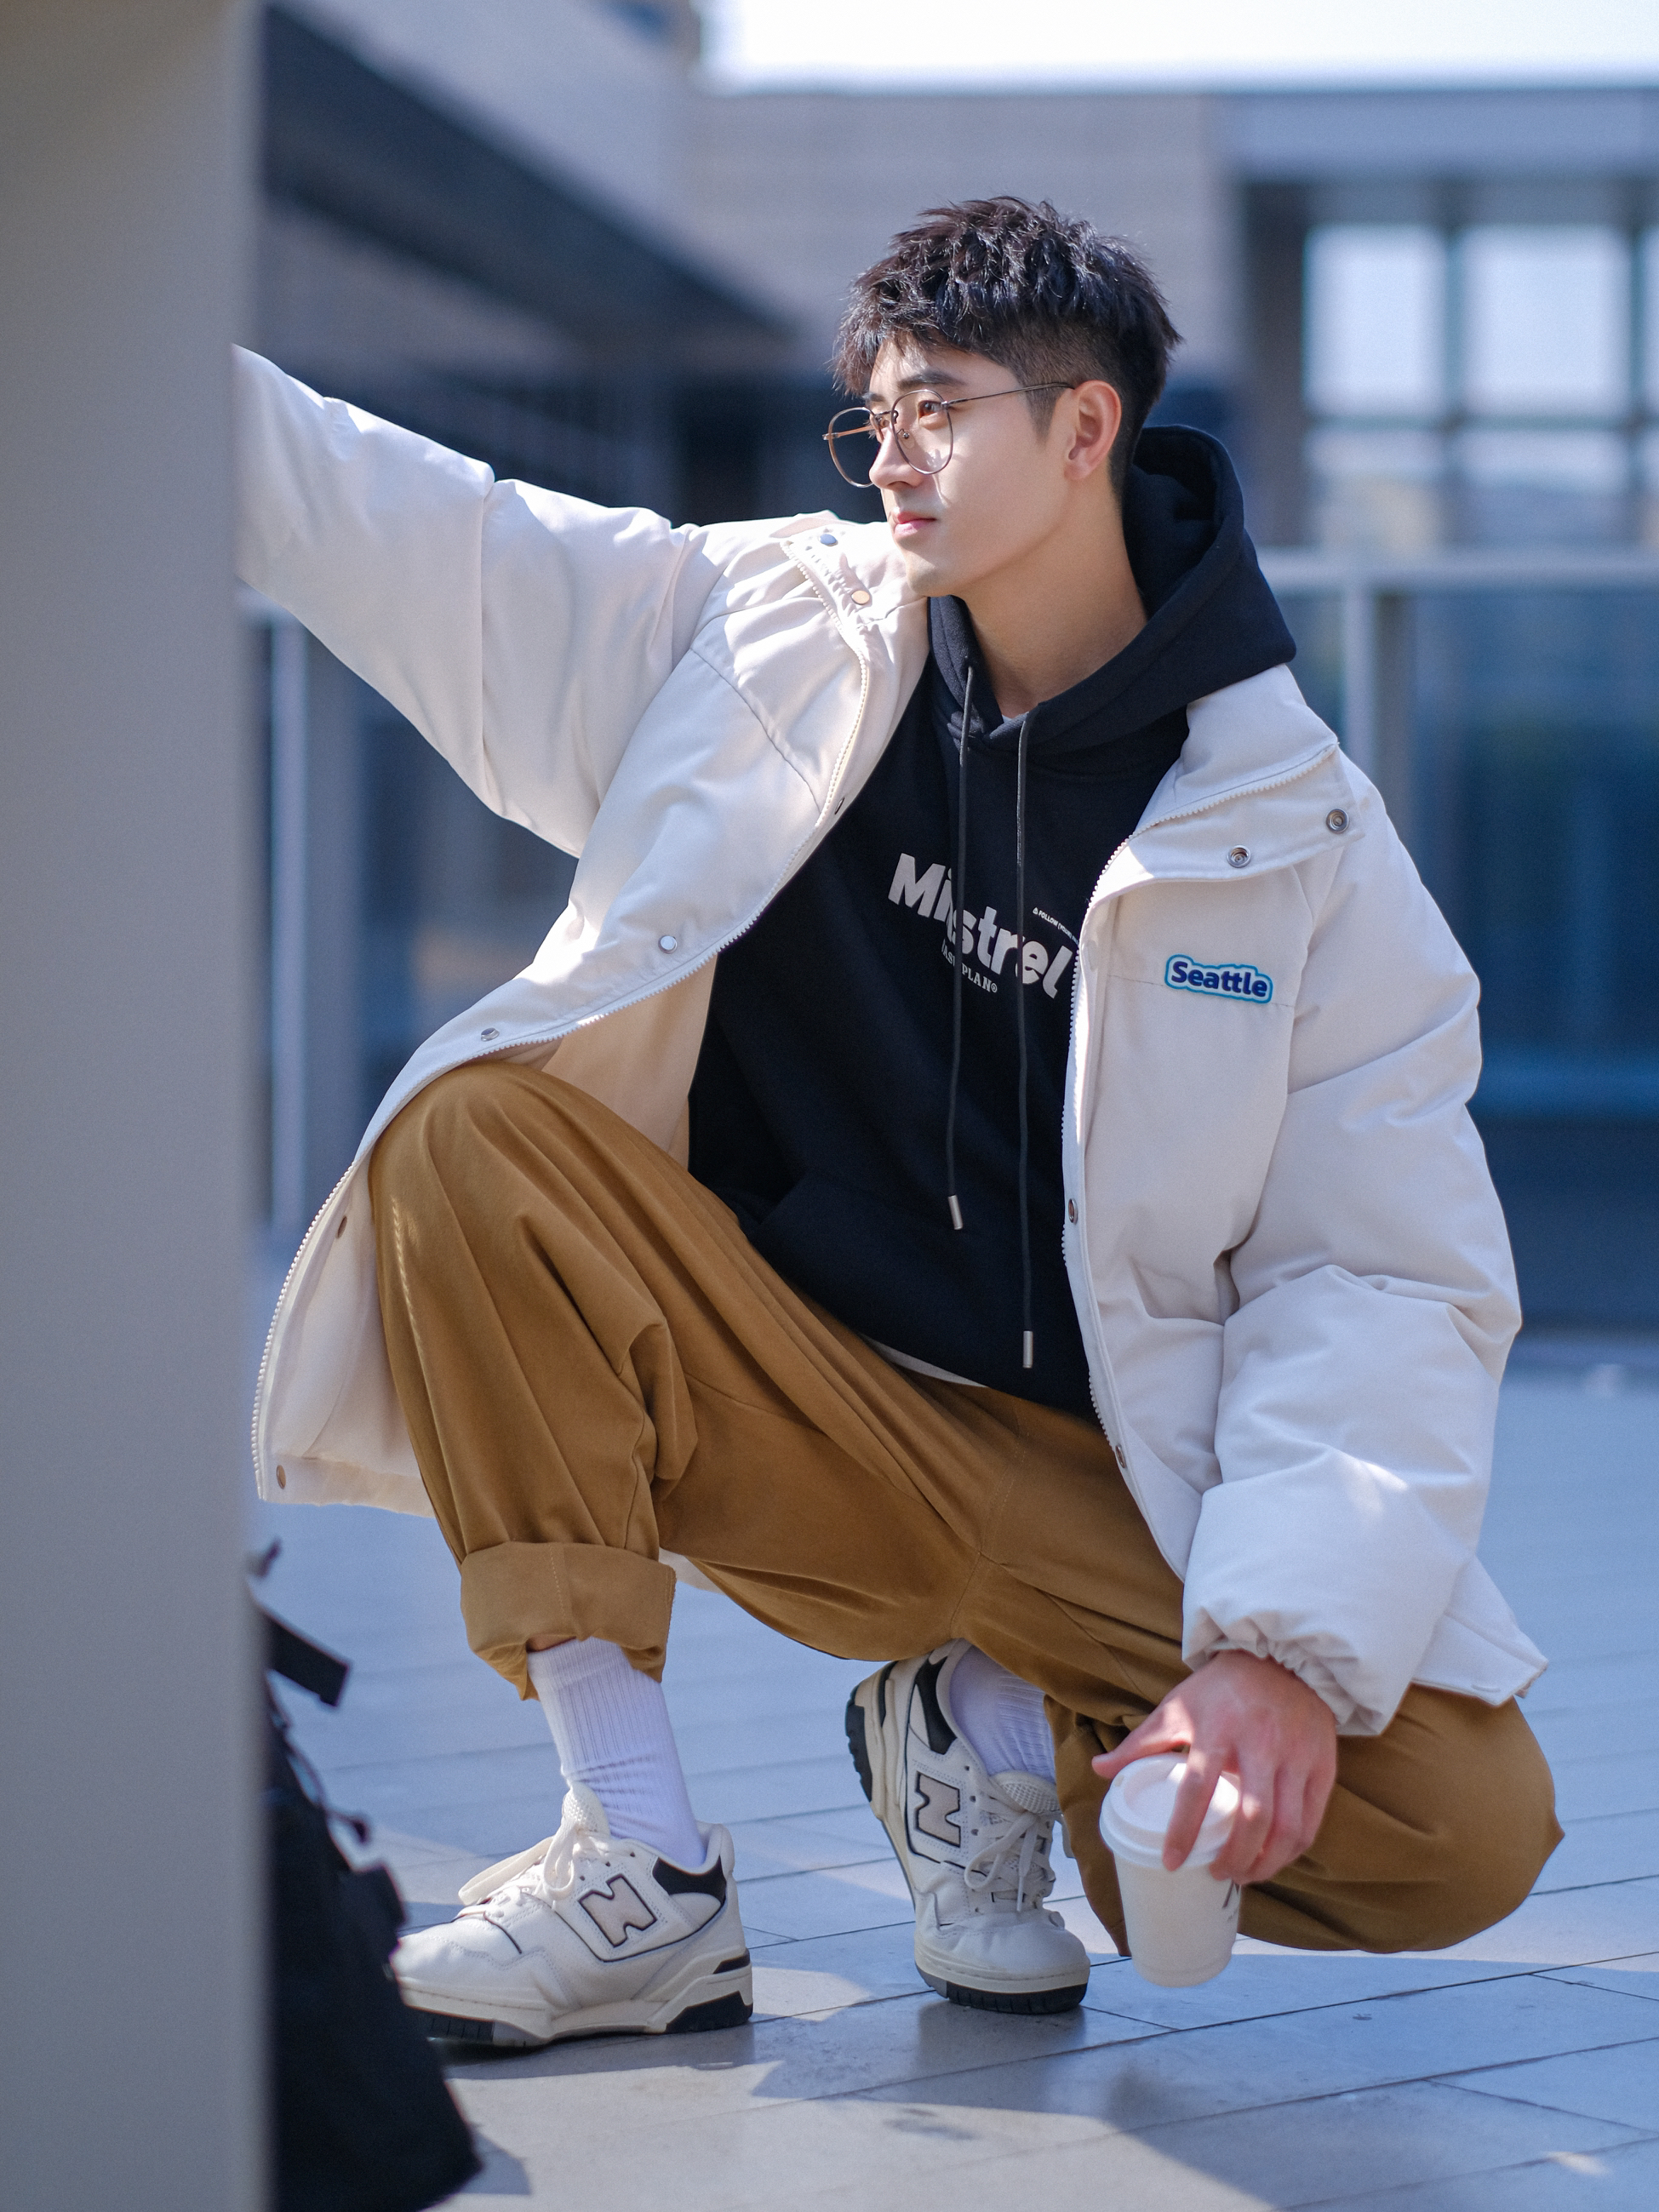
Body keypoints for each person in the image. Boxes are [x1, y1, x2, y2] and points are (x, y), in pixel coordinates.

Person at [239, 197, 1559, 2049]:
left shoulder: (1306, 845)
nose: (891, 459)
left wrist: (1272, 1656)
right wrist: (111, 326)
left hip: (1095, 1484)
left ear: (1087, 426)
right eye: (873, 416)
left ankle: (990, 1727)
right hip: (785, 1394)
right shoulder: (754, 630)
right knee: (474, 1141)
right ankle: (637, 1859)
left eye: (939, 409)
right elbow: (416, 531)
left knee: (1460, 1819)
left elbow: (1377, 1280)